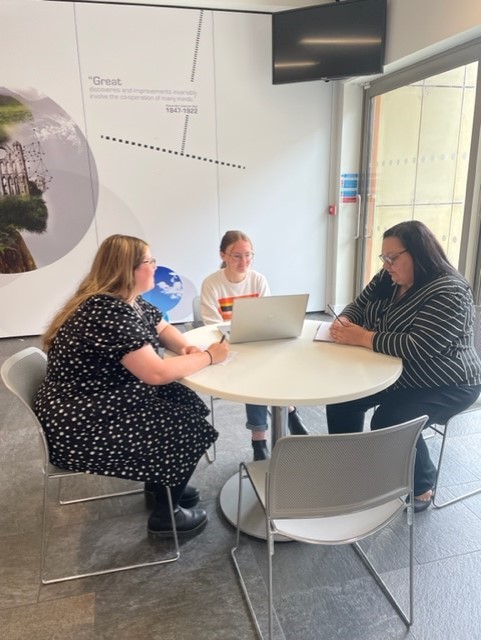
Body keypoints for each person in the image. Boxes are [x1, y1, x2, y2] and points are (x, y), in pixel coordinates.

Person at [34, 234, 229, 537]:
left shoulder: (126, 300)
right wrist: (207, 356)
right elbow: (156, 373)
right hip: (81, 423)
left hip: (96, 400)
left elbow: (160, 326)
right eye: (149, 261)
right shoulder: (106, 311)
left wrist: (185, 347)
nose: (155, 266)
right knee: (187, 426)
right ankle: (167, 517)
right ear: (128, 269)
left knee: (185, 402)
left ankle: (161, 487)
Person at [326, 220, 481, 512]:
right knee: (342, 399)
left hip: (448, 381)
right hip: (392, 371)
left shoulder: (449, 290)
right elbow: (358, 306)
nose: (387, 264)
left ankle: (423, 485)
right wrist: (345, 319)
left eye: (392, 257)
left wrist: (362, 337)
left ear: (419, 253)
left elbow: (419, 346)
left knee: (390, 419)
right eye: (383, 258)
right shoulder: (388, 278)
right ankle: (349, 465)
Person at [200, 229, 308, 461]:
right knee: (256, 375)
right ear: (223, 256)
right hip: (227, 346)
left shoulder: (258, 279)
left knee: (277, 363)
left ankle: (262, 439)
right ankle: (286, 417)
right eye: (237, 256)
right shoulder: (211, 283)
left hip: (257, 340)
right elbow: (212, 326)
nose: (244, 261)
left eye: (248, 255)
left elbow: (268, 315)